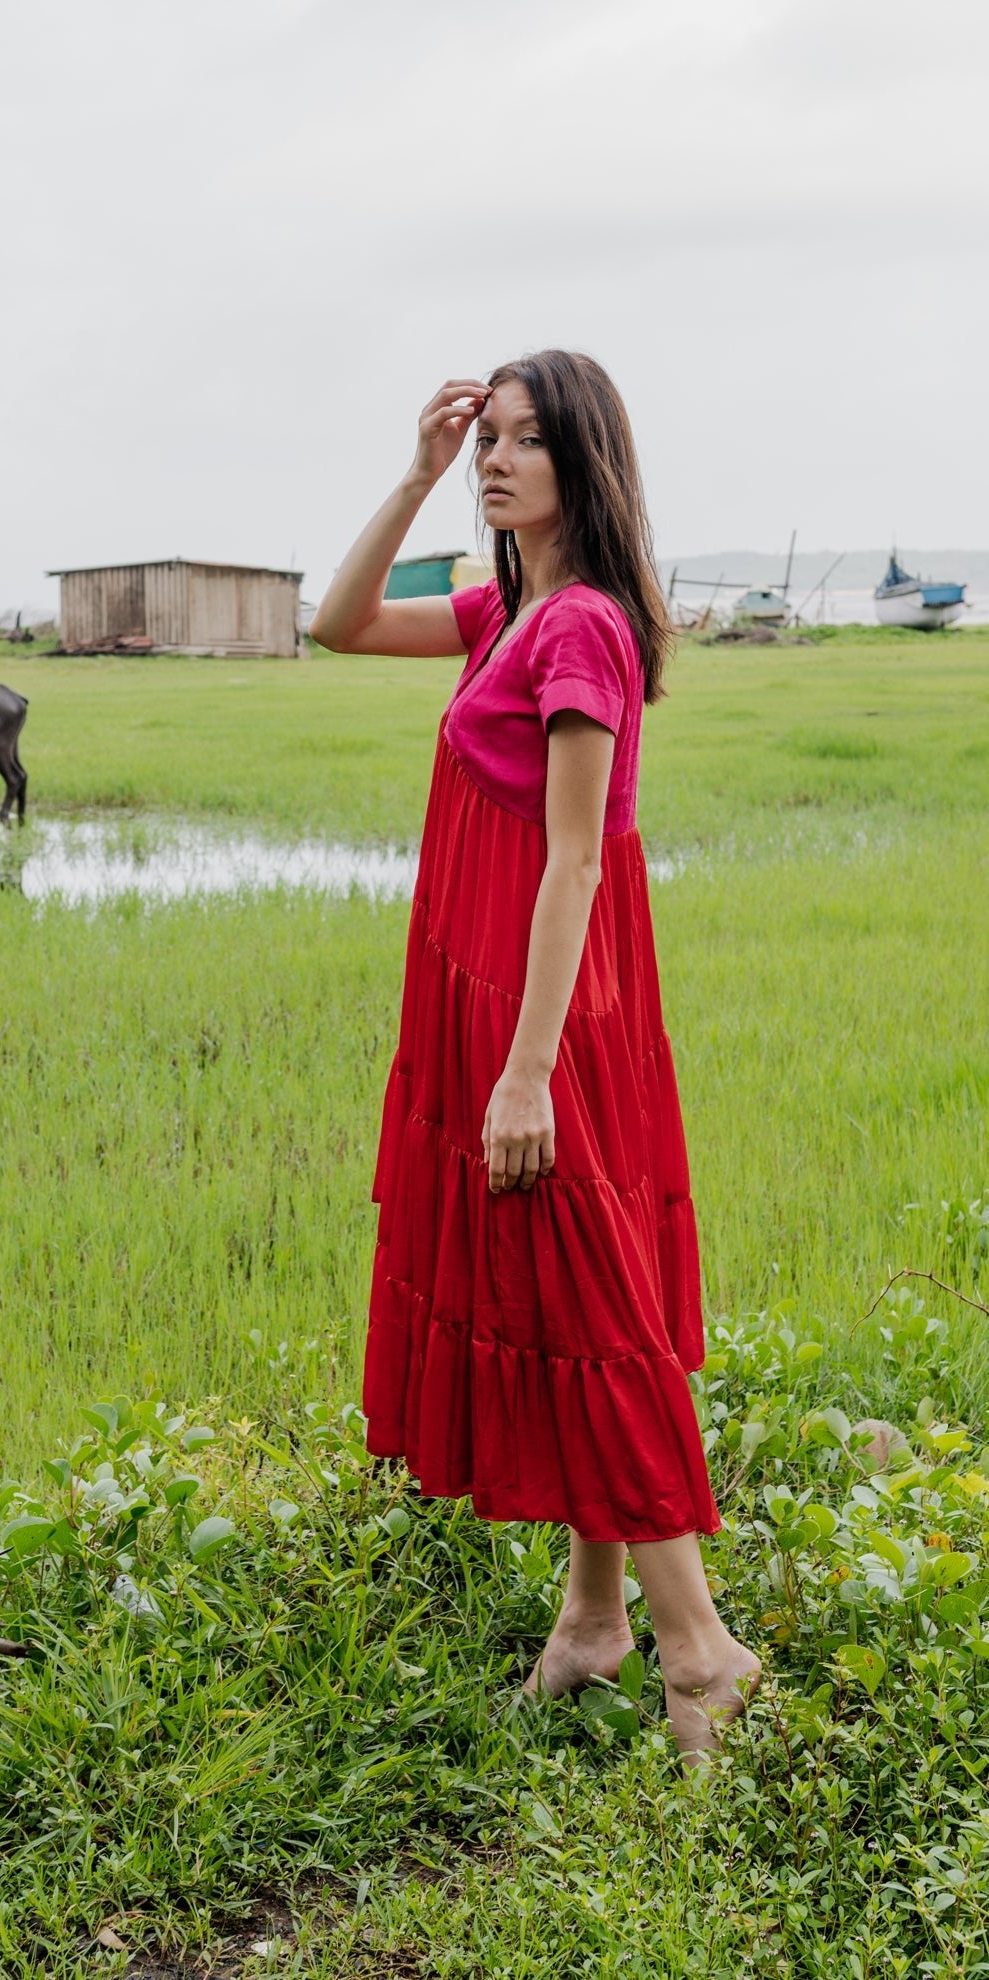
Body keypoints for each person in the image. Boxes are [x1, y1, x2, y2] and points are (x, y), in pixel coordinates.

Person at [310, 351, 759, 1762]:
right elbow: (335, 624)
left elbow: (574, 862)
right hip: (518, 1006)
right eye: (485, 441)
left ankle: (699, 1648)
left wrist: (522, 1074)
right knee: (564, 1296)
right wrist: (413, 473)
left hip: (544, 1017)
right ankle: (590, 1618)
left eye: (525, 443)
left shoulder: (580, 630)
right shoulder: (506, 610)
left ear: (585, 462)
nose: (495, 462)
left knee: (592, 1301)